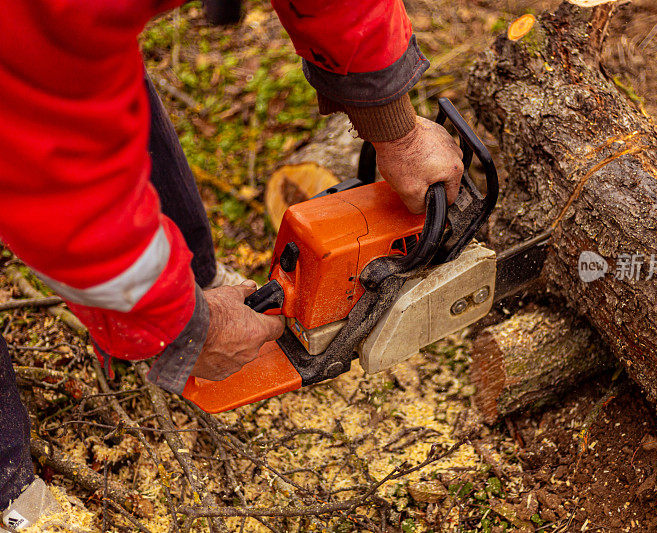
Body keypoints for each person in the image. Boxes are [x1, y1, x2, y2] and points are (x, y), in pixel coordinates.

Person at [0, 1, 464, 530]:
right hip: (23, 56)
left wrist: (394, 126)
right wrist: (184, 326)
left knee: (98, 66)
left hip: (63, 46)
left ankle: (191, 281)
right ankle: (7, 488)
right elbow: (61, 188)